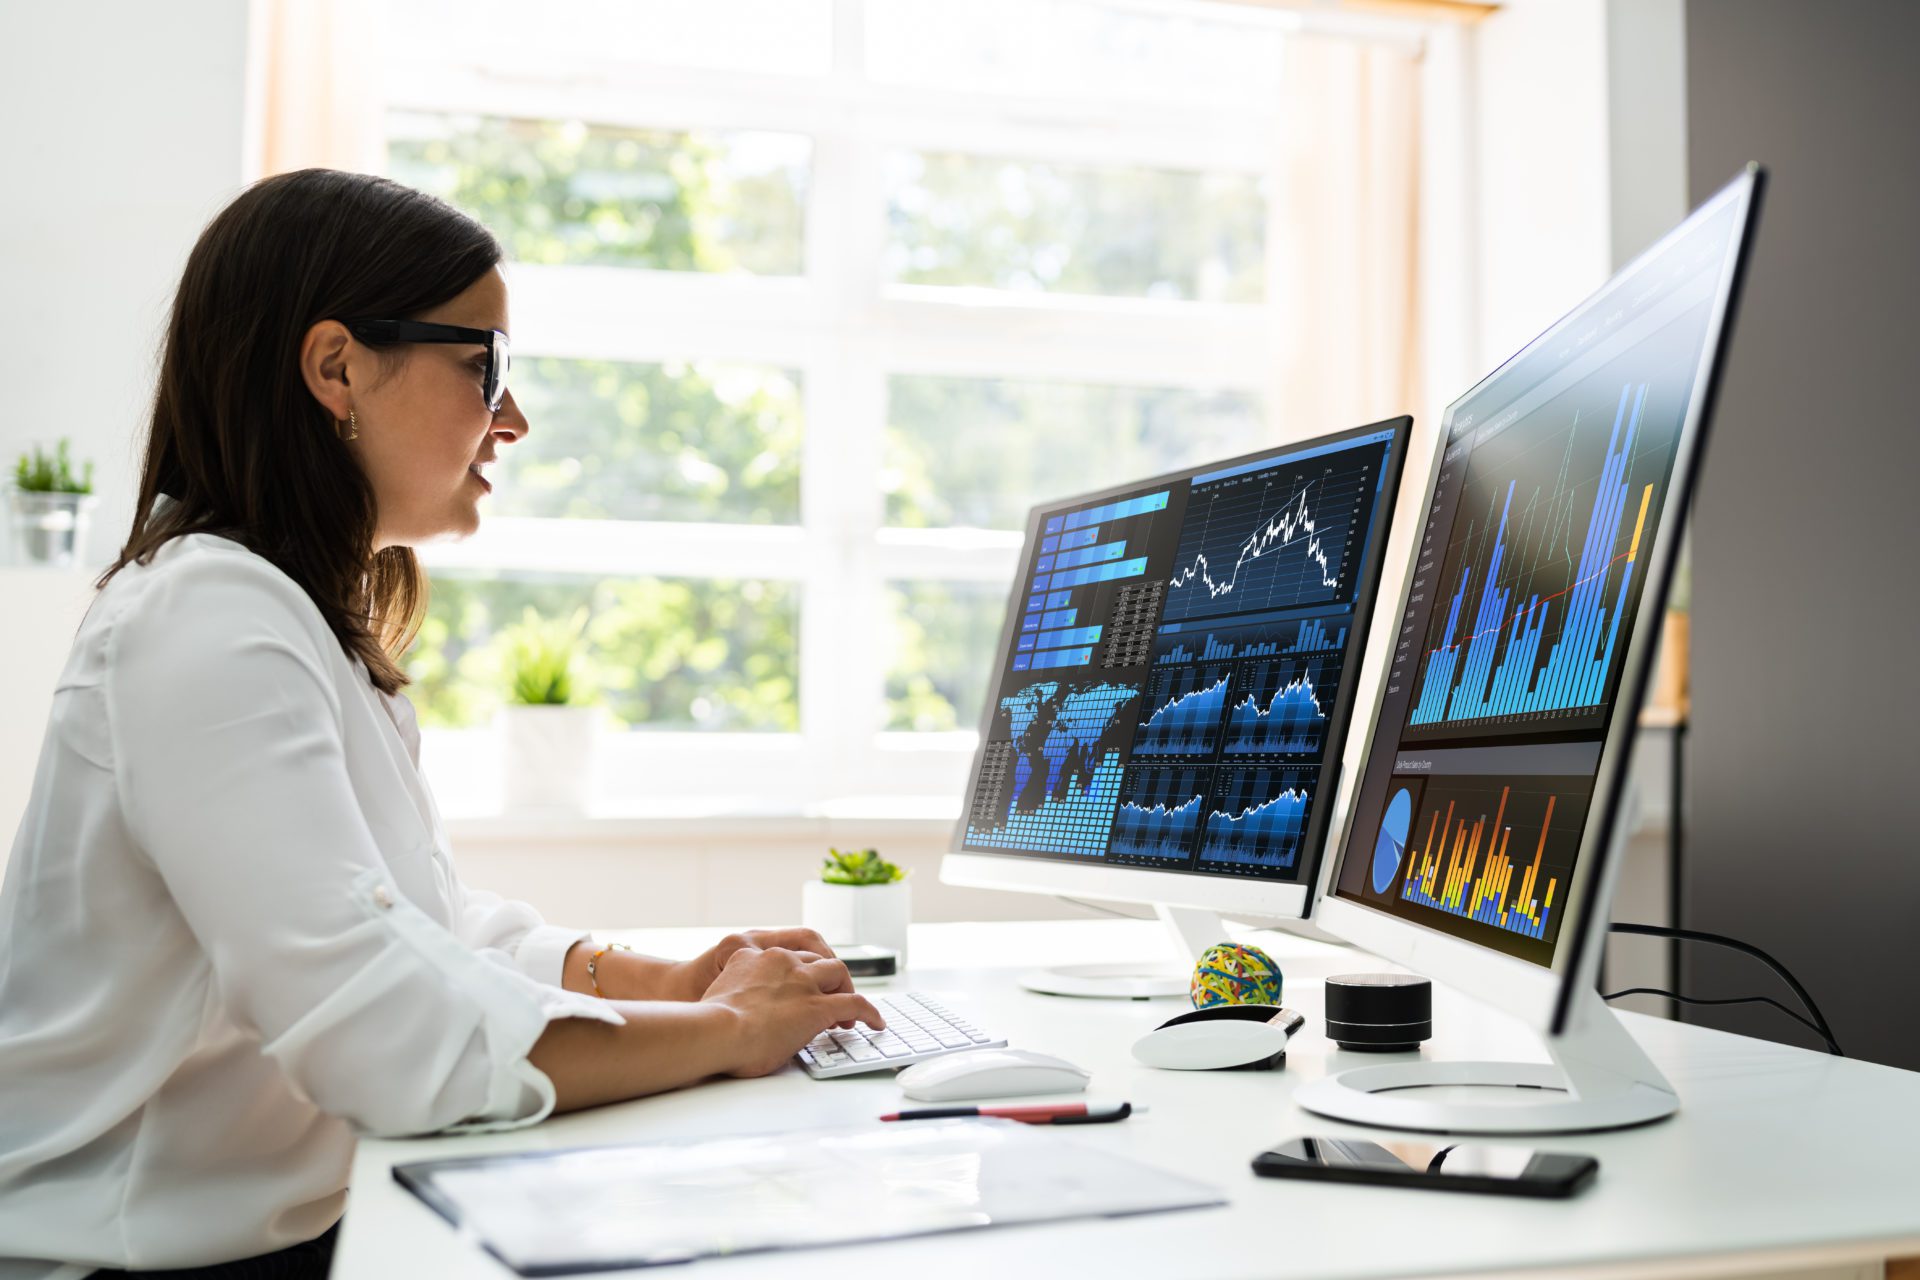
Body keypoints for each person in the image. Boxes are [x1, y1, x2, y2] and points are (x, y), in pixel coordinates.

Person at [0, 168, 885, 1279]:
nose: (511, 417)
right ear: (337, 368)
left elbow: (423, 928)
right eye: (484, 366)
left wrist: (668, 977)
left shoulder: (287, 614)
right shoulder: (205, 617)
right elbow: (382, 1033)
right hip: (120, 1256)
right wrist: (729, 1032)